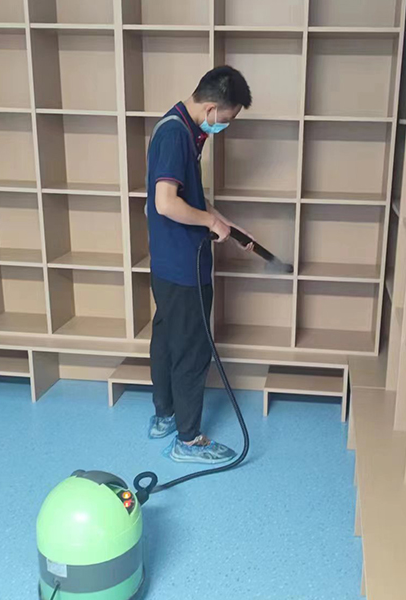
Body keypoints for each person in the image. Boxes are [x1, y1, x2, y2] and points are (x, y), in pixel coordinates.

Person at [145, 66, 253, 464]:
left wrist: (223, 222)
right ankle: (188, 441)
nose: (224, 126)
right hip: (182, 266)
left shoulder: (182, 128)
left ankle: (164, 416)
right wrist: (209, 221)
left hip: (168, 261)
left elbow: (188, 196)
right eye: (226, 119)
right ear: (211, 108)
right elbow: (165, 203)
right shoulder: (176, 134)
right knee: (192, 350)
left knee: (166, 336)